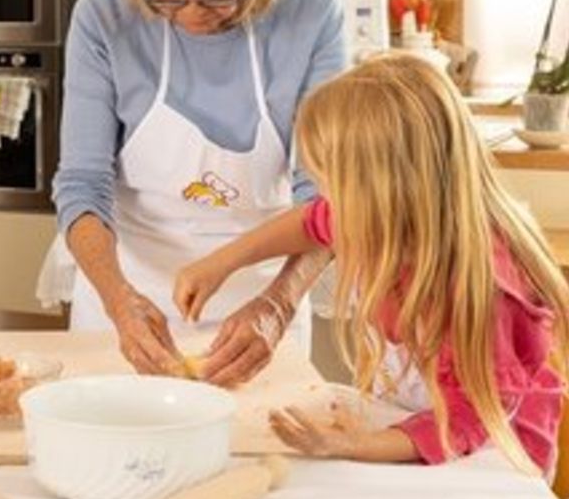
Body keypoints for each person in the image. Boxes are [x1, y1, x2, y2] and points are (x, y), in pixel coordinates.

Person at [175, 55, 569, 473]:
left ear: (384, 188)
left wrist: (354, 445)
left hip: (494, 456)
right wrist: (221, 263)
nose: (327, 198)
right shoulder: (390, 218)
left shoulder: (480, 288)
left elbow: (467, 421)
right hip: (417, 423)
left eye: (332, 182)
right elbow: (311, 223)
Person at [52, 0, 346, 386]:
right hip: (126, 295)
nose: (191, 13)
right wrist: (120, 303)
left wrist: (278, 305)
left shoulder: (312, 12)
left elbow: (327, 198)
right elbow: (82, 184)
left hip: (261, 302)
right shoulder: (103, 13)